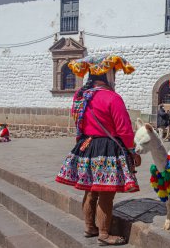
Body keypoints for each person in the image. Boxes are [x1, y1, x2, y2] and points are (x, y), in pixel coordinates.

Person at [55, 56, 141, 246]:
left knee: (91, 190)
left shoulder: (80, 96)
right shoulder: (112, 97)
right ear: (108, 74)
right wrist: (132, 151)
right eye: (114, 74)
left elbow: (78, 123)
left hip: (87, 145)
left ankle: (89, 227)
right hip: (106, 148)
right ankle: (104, 233)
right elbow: (124, 129)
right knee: (106, 192)